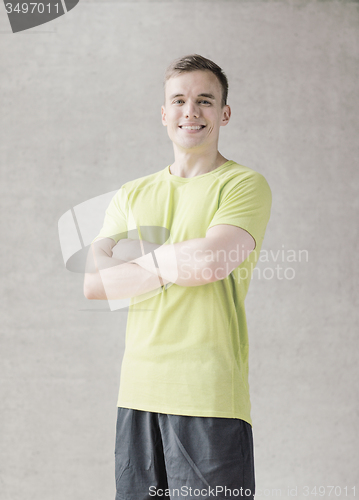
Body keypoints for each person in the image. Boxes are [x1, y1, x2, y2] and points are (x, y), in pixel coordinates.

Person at [84, 54, 272, 500]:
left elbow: (210, 263)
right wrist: (178, 260)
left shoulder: (243, 185)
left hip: (208, 395)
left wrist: (139, 261)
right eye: (180, 100)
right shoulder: (132, 194)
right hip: (137, 393)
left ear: (224, 113)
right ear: (164, 113)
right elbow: (95, 284)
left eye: (205, 101)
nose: (192, 112)